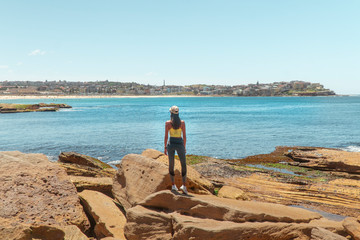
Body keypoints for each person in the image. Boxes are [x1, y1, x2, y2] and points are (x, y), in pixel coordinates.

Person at [164, 105, 188, 194]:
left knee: (171, 164)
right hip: (180, 143)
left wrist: (165, 147)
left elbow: (166, 136)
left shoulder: (167, 123)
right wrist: (184, 147)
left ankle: (173, 185)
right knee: (183, 164)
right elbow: (184, 136)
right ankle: (184, 186)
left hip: (171, 143)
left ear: (171, 113)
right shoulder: (182, 123)